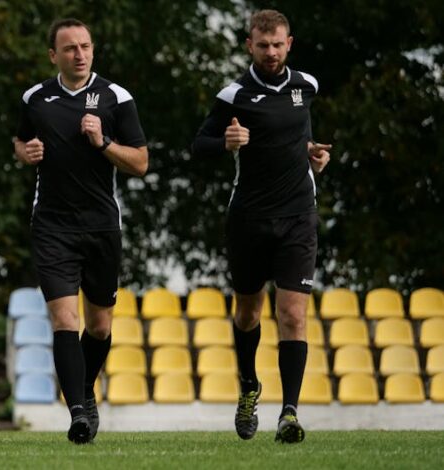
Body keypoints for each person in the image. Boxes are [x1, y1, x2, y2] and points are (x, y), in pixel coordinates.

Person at [193, 9, 331, 444]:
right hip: (249, 218)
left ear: (289, 44)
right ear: (248, 45)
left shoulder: (305, 86)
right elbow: (198, 146)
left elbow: (298, 130)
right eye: (263, 45)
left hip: (297, 216)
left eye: (278, 45)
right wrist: (226, 143)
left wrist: (312, 152)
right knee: (248, 312)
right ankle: (249, 386)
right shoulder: (233, 95)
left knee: (292, 313)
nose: (271, 52)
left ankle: (289, 413)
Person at [14, 18, 148, 444]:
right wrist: (25, 152)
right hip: (52, 226)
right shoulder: (36, 98)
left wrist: (103, 142)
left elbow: (141, 162)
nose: (80, 54)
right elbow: (19, 141)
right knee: (63, 321)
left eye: (85, 46)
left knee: (100, 327)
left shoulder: (116, 97)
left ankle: (84, 390)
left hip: (102, 226)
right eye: (70, 48)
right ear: (54, 55)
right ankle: (77, 414)